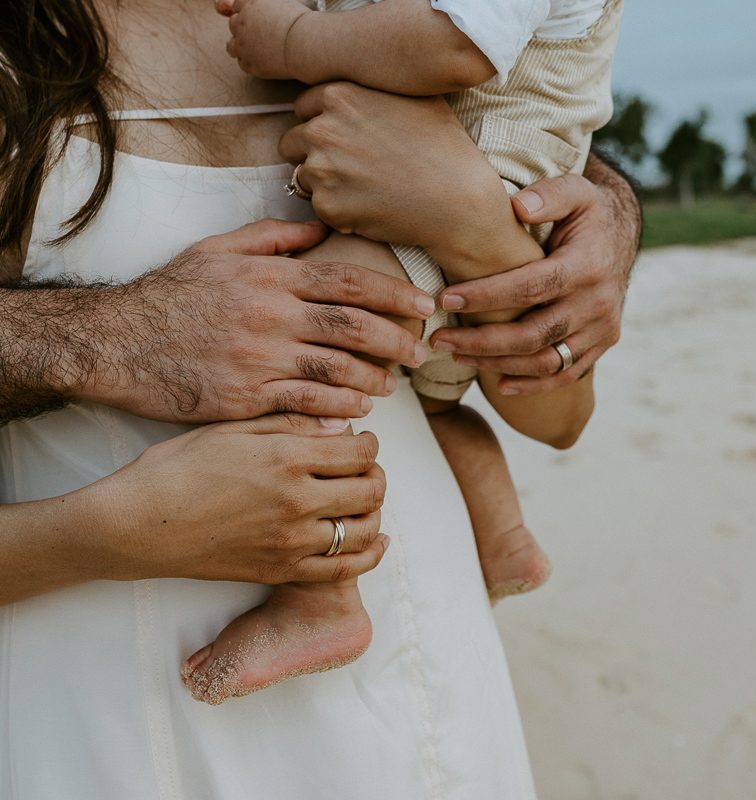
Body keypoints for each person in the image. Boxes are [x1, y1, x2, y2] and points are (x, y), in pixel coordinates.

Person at [0, 2, 640, 797]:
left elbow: (559, 414)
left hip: (420, 676)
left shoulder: (362, 15)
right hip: (99, 700)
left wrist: (495, 219)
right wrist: (118, 337)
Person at [180, 0, 619, 696]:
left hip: (467, 190)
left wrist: (296, 37)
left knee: (312, 346)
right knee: (433, 408)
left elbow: (454, 47)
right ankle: (504, 536)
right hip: (472, 195)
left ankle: (322, 597)